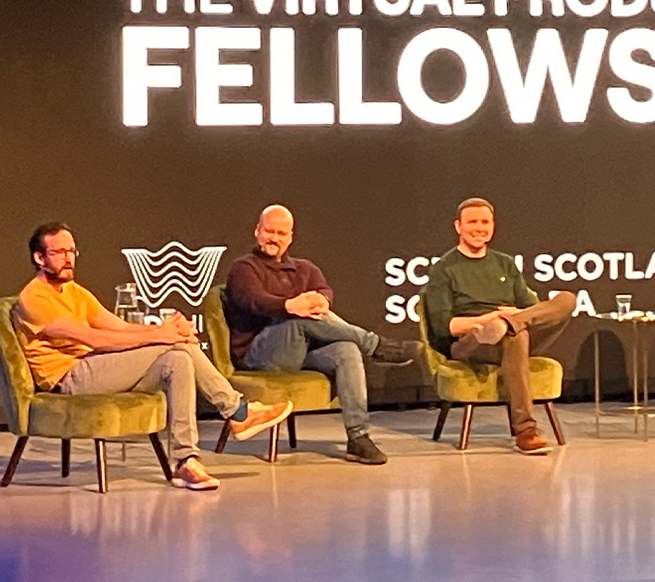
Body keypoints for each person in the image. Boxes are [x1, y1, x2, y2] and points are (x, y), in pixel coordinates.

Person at [12, 222, 292, 491]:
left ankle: (187, 460)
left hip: (92, 367)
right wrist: (163, 335)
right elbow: (95, 339)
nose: (68, 258)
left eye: (71, 251)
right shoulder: (34, 298)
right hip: (69, 378)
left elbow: (119, 327)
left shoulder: (74, 291)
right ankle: (238, 412)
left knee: (179, 358)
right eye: (59, 252)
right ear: (39, 258)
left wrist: (167, 331)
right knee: (172, 346)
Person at [223, 204, 422, 464]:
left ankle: (358, 437)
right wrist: (290, 306)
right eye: (269, 231)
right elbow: (254, 300)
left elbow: (324, 291)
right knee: (299, 319)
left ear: (290, 237)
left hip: (300, 350)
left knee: (347, 350)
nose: (274, 238)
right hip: (259, 353)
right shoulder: (244, 268)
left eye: (281, 233)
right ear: (257, 232)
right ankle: (376, 345)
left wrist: (321, 301)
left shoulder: (305, 268)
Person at [421, 198, 577, 456]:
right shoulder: (444, 269)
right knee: (512, 335)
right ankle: (526, 432)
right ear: (458, 227)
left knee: (566, 300)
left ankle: (507, 325)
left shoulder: (505, 263)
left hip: (513, 327)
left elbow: (532, 309)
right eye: (473, 222)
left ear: (493, 226)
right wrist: (489, 319)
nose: (479, 228)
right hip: (472, 342)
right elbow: (445, 327)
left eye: (485, 222)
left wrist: (511, 319)